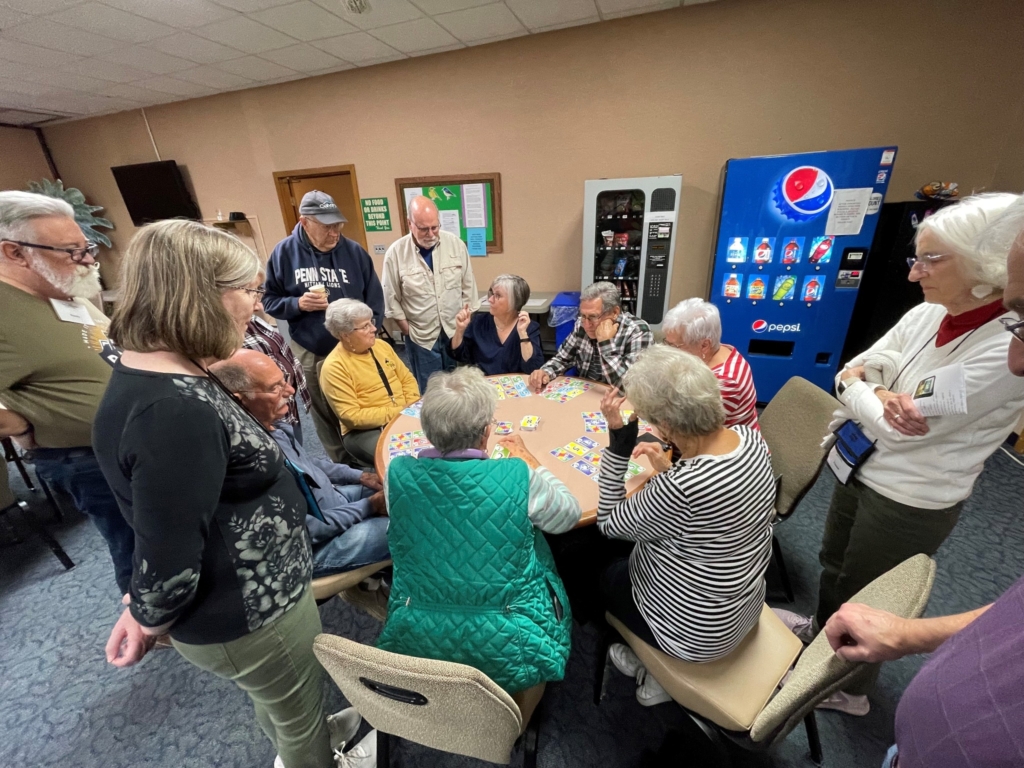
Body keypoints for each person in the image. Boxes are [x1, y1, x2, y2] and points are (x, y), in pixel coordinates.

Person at [93, 220, 375, 768]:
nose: (258, 304)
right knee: (297, 720)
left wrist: (143, 604)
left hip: (259, 599)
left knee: (285, 706)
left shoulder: (179, 375)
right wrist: (148, 612)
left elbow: (169, 514)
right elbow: (169, 550)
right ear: (198, 296)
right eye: (248, 290)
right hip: (249, 614)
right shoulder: (171, 409)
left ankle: (313, 739)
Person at [775, 193, 1024, 716]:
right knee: (834, 563)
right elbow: (855, 368)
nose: (914, 273)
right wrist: (878, 390)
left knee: (869, 594)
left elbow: (903, 427)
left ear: (984, 265)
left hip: (910, 497)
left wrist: (866, 387)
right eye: (917, 257)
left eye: (931, 259)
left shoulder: (1008, 346)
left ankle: (848, 688)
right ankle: (822, 634)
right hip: (860, 464)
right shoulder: (931, 311)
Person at [376, 366, 580, 706]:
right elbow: (568, 515)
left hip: (416, 634)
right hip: (514, 639)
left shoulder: (396, 475)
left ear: (428, 430)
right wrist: (531, 461)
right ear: (486, 432)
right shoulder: (518, 475)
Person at [597, 346, 775, 706]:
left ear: (666, 425)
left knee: (601, 568)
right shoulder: (751, 439)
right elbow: (713, 505)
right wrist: (668, 468)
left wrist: (618, 445)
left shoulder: (683, 487)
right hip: (741, 606)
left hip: (693, 634)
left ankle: (654, 663)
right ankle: (653, 660)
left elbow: (609, 522)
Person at [0, 190, 134, 596]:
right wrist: (18, 425)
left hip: (132, 444)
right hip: (88, 458)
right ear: (15, 253)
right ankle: (154, 621)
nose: (88, 259)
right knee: (138, 548)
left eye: (85, 247)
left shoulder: (59, 287)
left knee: (168, 536)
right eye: (71, 251)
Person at [211, 349, 390, 579]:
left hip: (332, 504)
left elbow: (308, 462)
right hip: (313, 548)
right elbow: (310, 527)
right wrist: (370, 506)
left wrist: (361, 476)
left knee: (400, 491)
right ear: (238, 400)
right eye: (274, 388)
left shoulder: (269, 426)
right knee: (406, 524)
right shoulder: (254, 463)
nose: (290, 391)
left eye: (284, 381)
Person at [263, 190, 384, 463]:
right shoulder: (283, 253)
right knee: (324, 410)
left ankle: (370, 457)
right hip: (311, 348)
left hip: (354, 347)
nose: (334, 232)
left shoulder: (354, 252)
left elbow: (375, 299)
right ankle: (344, 466)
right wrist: (297, 304)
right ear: (304, 222)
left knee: (362, 403)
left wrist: (370, 335)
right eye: (327, 226)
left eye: (338, 225)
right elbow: (269, 301)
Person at [382, 195, 479, 392]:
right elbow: (390, 297)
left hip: (454, 331)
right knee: (430, 390)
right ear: (410, 224)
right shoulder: (396, 253)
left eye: (435, 227)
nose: (431, 234)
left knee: (458, 388)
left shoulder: (456, 244)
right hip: (420, 336)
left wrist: (464, 327)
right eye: (424, 229)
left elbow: (468, 287)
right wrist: (406, 329)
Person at [320, 298, 419, 468]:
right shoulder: (334, 367)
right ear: (345, 334)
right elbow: (352, 417)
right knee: (406, 462)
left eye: (371, 322)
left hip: (404, 413)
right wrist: (399, 412)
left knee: (443, 440)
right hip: (364, 431)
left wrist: (410, 405)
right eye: (365, 326)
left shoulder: (382, 346)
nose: (374, 329)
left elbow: (407, 379)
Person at [528, 281, 652, 392]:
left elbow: (629, 387)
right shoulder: (581, 324)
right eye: (583, 316)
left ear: (615, 312)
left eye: (593, 317)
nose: (586, 324)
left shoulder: (638, 331)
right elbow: (563, 358)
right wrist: (545, 372)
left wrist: (606, 344)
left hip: (617, 399)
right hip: (587, 392)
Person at [662, 298, 759, 429]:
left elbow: (687, 428)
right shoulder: (720, 349)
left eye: (674, 346)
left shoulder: (724, 382)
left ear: (704, 345)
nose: (668, 351)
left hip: (715, 437)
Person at [244, 276, 311, 446]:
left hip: (286, 408)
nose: (259, 305)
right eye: (249, 292)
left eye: (258, 292)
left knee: (297, 450)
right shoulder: (227, 335)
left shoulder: (253, 319)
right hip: (267, 420)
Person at [449, 274, 544, 376]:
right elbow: (458, 355)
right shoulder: (478, 322)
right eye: (491, 294)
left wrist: (522, 333)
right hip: (483, 382)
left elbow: (532, 368)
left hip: (514, 383)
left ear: (514, 302)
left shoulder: (529, 328)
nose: (490, 299)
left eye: (498, 296)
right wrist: (459, 330)